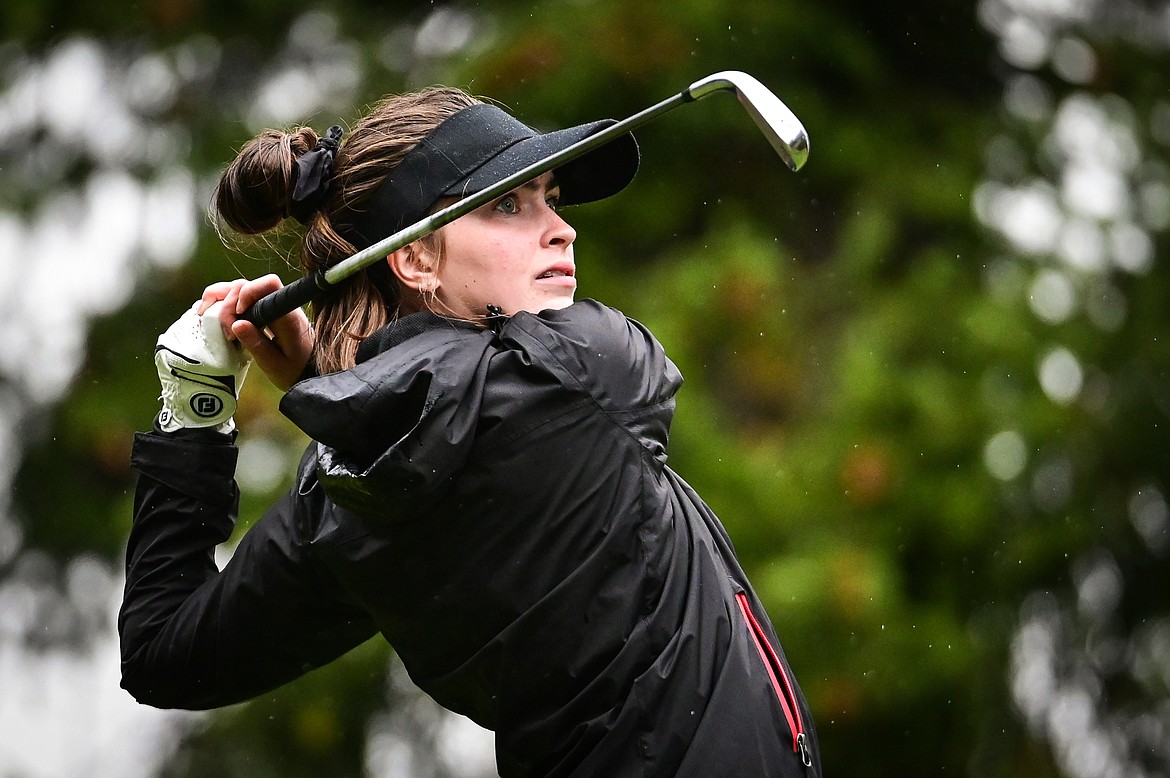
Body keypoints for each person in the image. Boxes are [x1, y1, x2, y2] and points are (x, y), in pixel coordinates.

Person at [120, 85, 822, 778]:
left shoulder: (344, 489)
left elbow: (162, 654)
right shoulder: (589, 368)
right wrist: (325, 389)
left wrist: (195, 410)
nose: (560, 227)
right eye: (508, 202)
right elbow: (486, 412)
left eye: (551, 197)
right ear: (415, 258)